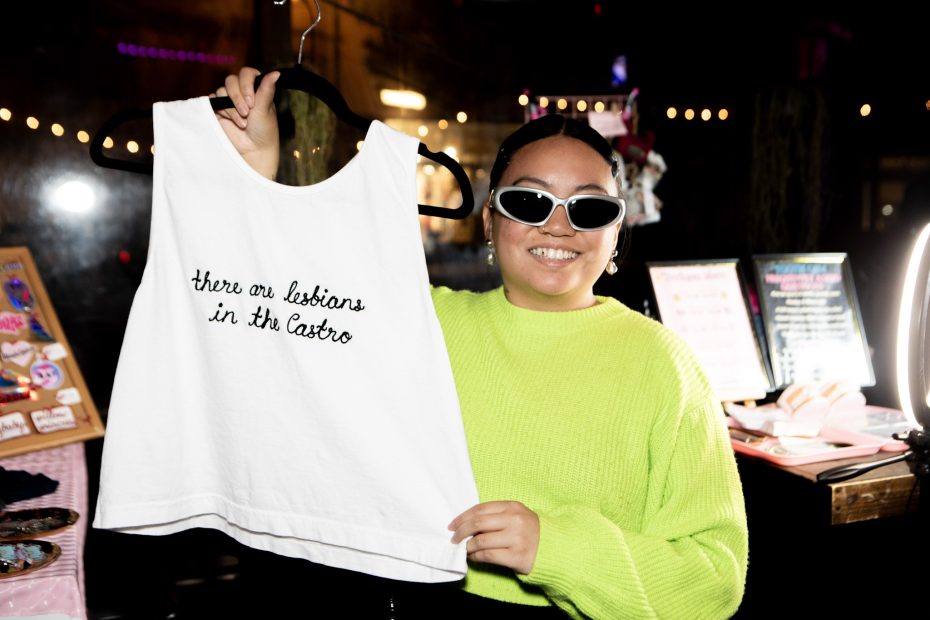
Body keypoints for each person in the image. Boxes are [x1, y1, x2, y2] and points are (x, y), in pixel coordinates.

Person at [212, 67, 749, 619]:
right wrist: (257, 170)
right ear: (490, 221)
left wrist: (557, 549)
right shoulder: (424, 322)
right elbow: (271, 313)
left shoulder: (665, 365)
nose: (558, 227)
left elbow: (714, 579)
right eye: (529, 203)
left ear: (616, 234)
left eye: (589, 209)